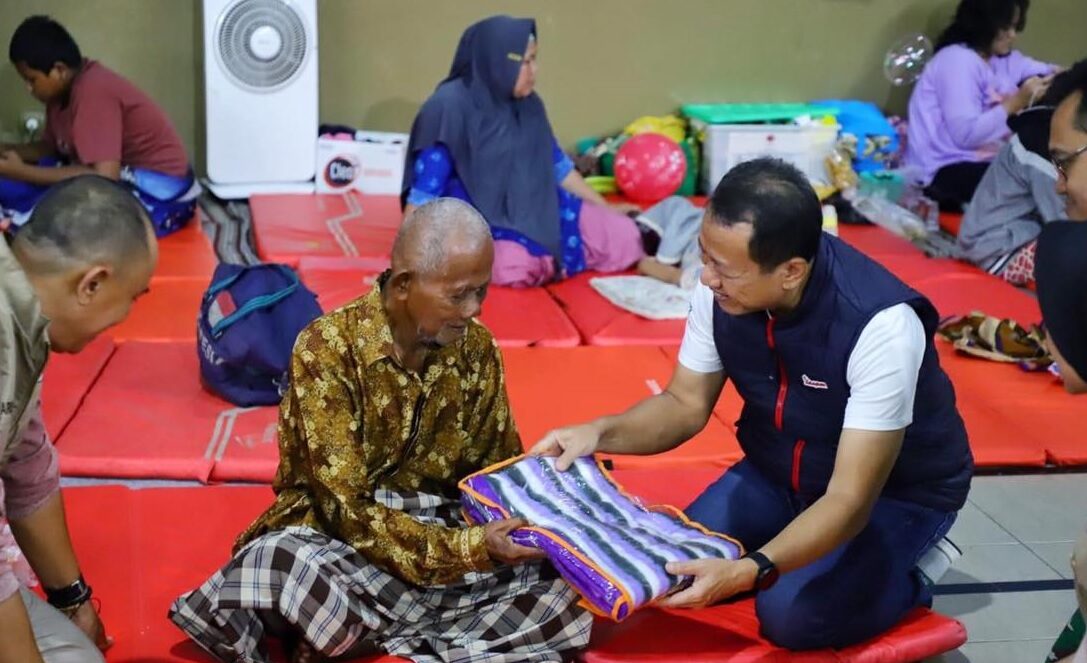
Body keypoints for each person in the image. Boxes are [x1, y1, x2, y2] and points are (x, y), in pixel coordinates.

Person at [531, 158, 974, 650]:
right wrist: (596, 433)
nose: (706, 278)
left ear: (790, 271)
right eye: (704, 256)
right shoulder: (720, 290)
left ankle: (913, 572)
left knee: (791, 616)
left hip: (893, 493)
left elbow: (849, 498)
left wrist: (751, 569)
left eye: (724, 269)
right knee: (669, 567)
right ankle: (798, 542)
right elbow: (683, 403)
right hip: (775, 470)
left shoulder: (880, 325)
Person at [171, 198, 592, 663]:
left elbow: (494, 470)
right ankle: (440, 636)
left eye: (482, 292)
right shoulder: (327, 349)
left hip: (442, 537)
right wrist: (469, 549)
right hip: (339, 541)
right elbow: (344, 509)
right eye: (458, 294)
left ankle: (371, 634)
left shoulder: (478, 350)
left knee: (562, 587)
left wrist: (545, 515)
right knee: (281, 564)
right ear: (405, 285)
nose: (473, 310)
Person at [0, 175, 158, 663]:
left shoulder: (24, 318)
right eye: (135, 296)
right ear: (92, 283)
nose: (127, 313)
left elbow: (28, 465)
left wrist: (73, 599)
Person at [401, 16, 644, 288]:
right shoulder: (447, 108)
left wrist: (607, 208)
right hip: (478, 219)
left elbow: (558, 167)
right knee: (512, 266)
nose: (534, 71)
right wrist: (407, 257)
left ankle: (549, 261)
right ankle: (547, 262)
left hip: (538, 208)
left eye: (534, 60)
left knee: (625, 235)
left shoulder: (530, 105)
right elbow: (424, 192)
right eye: (524, 62)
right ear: (497, 61)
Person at [1, 16, 197, 234]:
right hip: (109, 174)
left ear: (59, 70)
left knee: (53, 225)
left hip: (159, 194)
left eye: (32, 80)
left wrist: (21, 172)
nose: (29, 89)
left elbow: (104, 177)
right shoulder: (59, 95)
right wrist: (6, 150)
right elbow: (51, 147)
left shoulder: (93, 91)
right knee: (17, 183)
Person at [905, 0, 1059, 211]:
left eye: (1016, 26)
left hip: (985, 163)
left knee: (1047, 175)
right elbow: (966, 135)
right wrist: (1017, 102)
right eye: (1006, 27)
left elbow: (1053, 73)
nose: (1012, 35)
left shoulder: (1004, 60)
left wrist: (1069, 79)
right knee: (1036, 184)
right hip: (942, 170)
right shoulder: (957, 60)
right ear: (984, 24)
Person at [956, 64, 1087, 284]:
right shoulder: (1045, 149)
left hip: (1022, 230)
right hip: (996, 248)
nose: (1060, 185)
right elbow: (1069, 231)